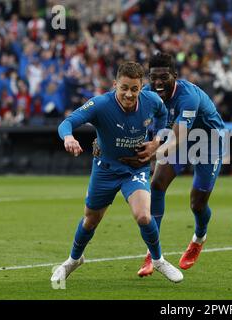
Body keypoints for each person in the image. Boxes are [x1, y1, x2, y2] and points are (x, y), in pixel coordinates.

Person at [51, 61, 183, 284]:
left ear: (141, 87)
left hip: (135, 167)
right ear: (115, 85)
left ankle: (158, 260)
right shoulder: (100, 104)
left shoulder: (151, 101)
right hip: (105, 170)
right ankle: (73, 260)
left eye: (134, 89)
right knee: (90, 220)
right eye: (124, 88)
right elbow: (67, 122)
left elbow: (162, 115)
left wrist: (156, 140)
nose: (129, 94)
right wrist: (69, 137)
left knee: (143, 215)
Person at [104, 52, 226, 277]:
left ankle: (199, 237)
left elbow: (178, 137)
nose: (158, 83)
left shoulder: (188, 96)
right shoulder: (147, 93)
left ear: (175, 76)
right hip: (175, 138)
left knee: (197, 204)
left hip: (207, 140)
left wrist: (151, 154)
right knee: (157, 184)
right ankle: (153, 253)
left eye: (164, 77)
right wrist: (101, 140)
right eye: (154, 77)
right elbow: (115, 111)